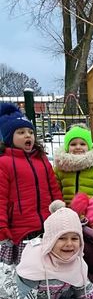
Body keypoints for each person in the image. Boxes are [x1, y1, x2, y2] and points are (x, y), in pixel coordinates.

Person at [0, 103, 62, 265]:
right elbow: (1, 198)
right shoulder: (4, 163)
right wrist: (2, 226)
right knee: (26, 268)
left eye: (31, 132)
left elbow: (53, 189)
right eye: (21, 132)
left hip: (47, 225)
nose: (28, 136)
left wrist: (60, 211)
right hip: (20, 229)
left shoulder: (41, 159)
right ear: (9, 138)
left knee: (48, 265)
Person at [54, 123, 93, 205]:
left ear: (89, 146)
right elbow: (55, 193)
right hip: (66, 212)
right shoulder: (60, 169)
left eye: (82, 144)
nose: (78, 147)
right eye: (73, 144)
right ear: (67, 148)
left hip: (91, 212)